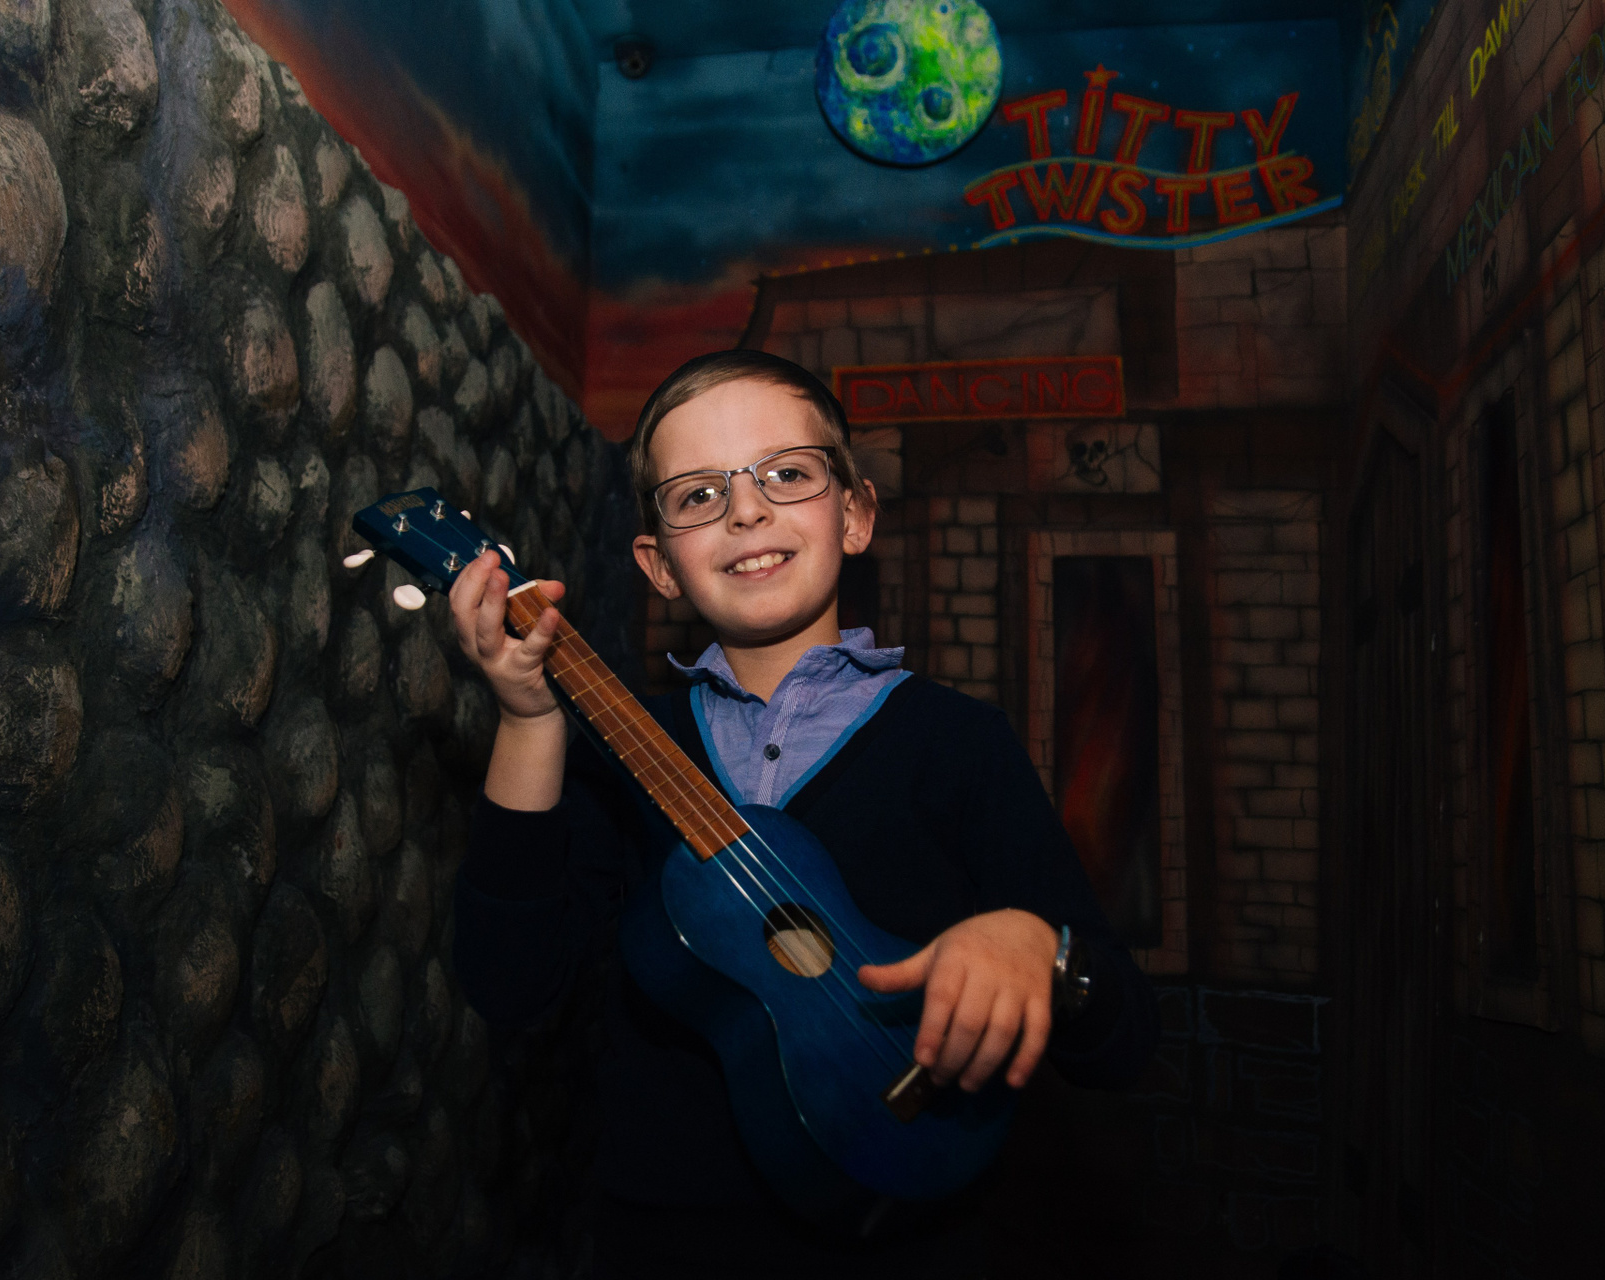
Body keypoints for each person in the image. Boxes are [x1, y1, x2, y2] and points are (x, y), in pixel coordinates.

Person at [447, 350, 1158, 1279]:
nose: (745, 511)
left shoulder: (958, 744)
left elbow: (1123, 1044)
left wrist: (1041, 949)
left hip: (916, 1248)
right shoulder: (623, 754)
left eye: (786, 475)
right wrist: (530, 721)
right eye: (698, 494)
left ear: (855, 515)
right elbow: (509, 985)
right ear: (659, 567)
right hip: (666, 1242)